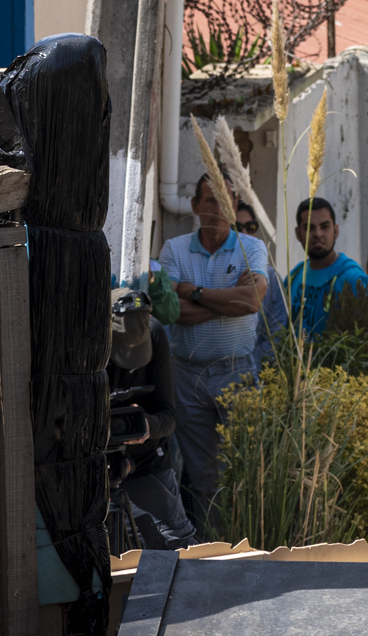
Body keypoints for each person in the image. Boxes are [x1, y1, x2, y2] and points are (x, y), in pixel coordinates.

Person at [158, 173, 268, 530]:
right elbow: (171, 312)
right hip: (188, 376)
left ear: (236, 206)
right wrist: (226, 302)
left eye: (225, 200)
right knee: (204, 476)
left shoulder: (251, 248)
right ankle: (215, 547)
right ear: (194, 206)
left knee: (246, 467)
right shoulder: (174, 249)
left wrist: (195, 292)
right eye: (209, 200)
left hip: (236, 371)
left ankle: (249, 541)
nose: (218, 209)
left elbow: (251, 302)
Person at [108, 291, 194, 550]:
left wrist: (147, 425)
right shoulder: (87, 343)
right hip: (96, 468)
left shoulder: (155, 333)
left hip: (148, 461)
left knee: (177, 545)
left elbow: (168, 418)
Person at [285, 196, 368, 336]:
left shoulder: (353, 280)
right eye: (309, 228)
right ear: (298, 234)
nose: (318, 234)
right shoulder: (294, 275)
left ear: (336, 231)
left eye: (325, 227)